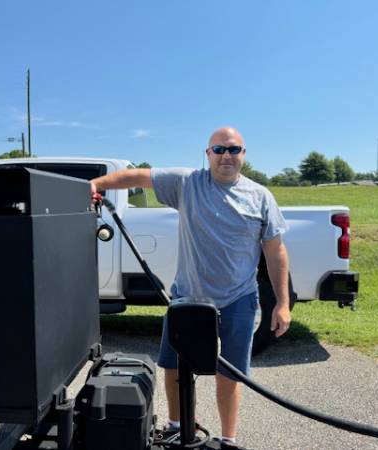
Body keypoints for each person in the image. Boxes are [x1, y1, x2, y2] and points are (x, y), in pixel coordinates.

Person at [90, 127, 291, 445]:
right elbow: (137, 177)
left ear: (244, 154)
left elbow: (275, 251)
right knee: (173, 364)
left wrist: (282, 303)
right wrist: (96, 185)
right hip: (188, 296)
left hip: (239, 297)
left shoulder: (261, 196)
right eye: (219, 149)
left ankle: (228, 439)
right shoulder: (187, 182)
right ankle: (177, 425)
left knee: (232, 372)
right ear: (207, 153)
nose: (227, 155)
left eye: (234, 149)